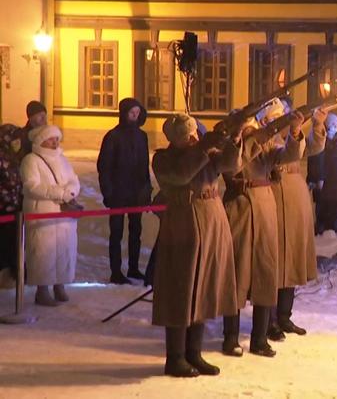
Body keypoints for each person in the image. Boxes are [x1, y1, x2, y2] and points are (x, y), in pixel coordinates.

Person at [151, 114, 241, 377]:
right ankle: (175, 357)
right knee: (182, 288)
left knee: (203, 287)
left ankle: (194, 353)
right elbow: (181, 175)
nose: (193, 138)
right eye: (187, 135)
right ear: (176, 138)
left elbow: (231, 166)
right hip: (183, 223)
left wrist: (233, 139)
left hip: (211, 219)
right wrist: (204, 146)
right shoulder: (164, 159)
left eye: (194, 134)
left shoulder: (203, 152)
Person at [220, 102, 305, 359]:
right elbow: (233, 165)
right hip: (239, 205)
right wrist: (243, 138)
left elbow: (287, 155)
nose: (249, 131)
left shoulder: (264, 144)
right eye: (244, 127)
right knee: (236, 275)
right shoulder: (229, 147)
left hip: (265, 203)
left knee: (265, 273)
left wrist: (295, 131)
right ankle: (231, 338)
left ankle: (260, 338)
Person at [268, 101, 327, 341]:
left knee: (291, 259)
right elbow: (289, 153)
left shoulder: (294, 138)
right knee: (275, 261)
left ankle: (284, 315)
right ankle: (269, 318)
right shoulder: (267, 141)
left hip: (295, 199)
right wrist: (293, 132)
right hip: (273, 197)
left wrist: (318, 124)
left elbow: (313, 147)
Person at [20, 125, 80, 306]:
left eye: (57, 139)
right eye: (51, 139)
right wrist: (58, 193)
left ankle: (60, 284)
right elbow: (31, 186)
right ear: (40, 140)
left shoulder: (62, 159)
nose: (55, 142)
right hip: (42, 213)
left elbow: (73, 180)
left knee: (63, 249)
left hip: (63, 216)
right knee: (43, 252)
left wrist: (70, 192)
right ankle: (42, 289)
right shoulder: (30, 160)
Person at [97, 98, 152, 284]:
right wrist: (108, 192)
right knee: (117, 233)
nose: (135, 116)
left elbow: (144, 167)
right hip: (118, 193)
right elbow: (104, 167)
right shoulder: (113, 136)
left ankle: (133, 268)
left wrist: (146, 191)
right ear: (123, 113)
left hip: (137, 193)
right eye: (131, 113)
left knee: (136, 231)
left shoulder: (142, 136)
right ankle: (116, 271)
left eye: (137, 113)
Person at [307, 112, 337, 235]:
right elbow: (315, 159)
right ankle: (320, 227)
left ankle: (328, 227)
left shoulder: (334, 139)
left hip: (330, 177)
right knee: (321, 203)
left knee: (329, 203)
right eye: (333, 124)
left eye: (336, 124)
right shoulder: (318, 136)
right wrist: (317, 178)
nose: (335, 127)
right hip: (320, 177)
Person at [0, 124, 24, 285]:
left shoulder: (14, 158)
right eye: (14, 139)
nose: (18, 142)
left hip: (15, 209)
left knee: (12, 244)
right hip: (2, 210)